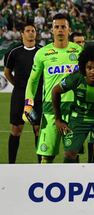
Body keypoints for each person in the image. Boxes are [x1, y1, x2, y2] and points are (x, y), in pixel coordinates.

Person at [24, 13, 82, 163]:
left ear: (69, 30)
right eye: (57, 27)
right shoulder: (42, 53)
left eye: (63, 27)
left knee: (72, 155)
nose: (60, 30)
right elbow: (33, 80)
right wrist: (28, 103)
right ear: (52, 30)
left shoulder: (79, 51)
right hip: (50, 109)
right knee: (46, 156)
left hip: (74, 109)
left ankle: (72, 185)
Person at [4, 23, 42, 163]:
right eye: (28, 31)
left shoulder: (42, 52)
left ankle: (41, 165)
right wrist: (18, 86)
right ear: (22, 34)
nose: (31, 33)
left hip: (37, 97)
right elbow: (7, 72)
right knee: (16, 129)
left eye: (33, 30)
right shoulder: (14, 52)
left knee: (38, 129)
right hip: (20, 97)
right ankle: (11, 164)